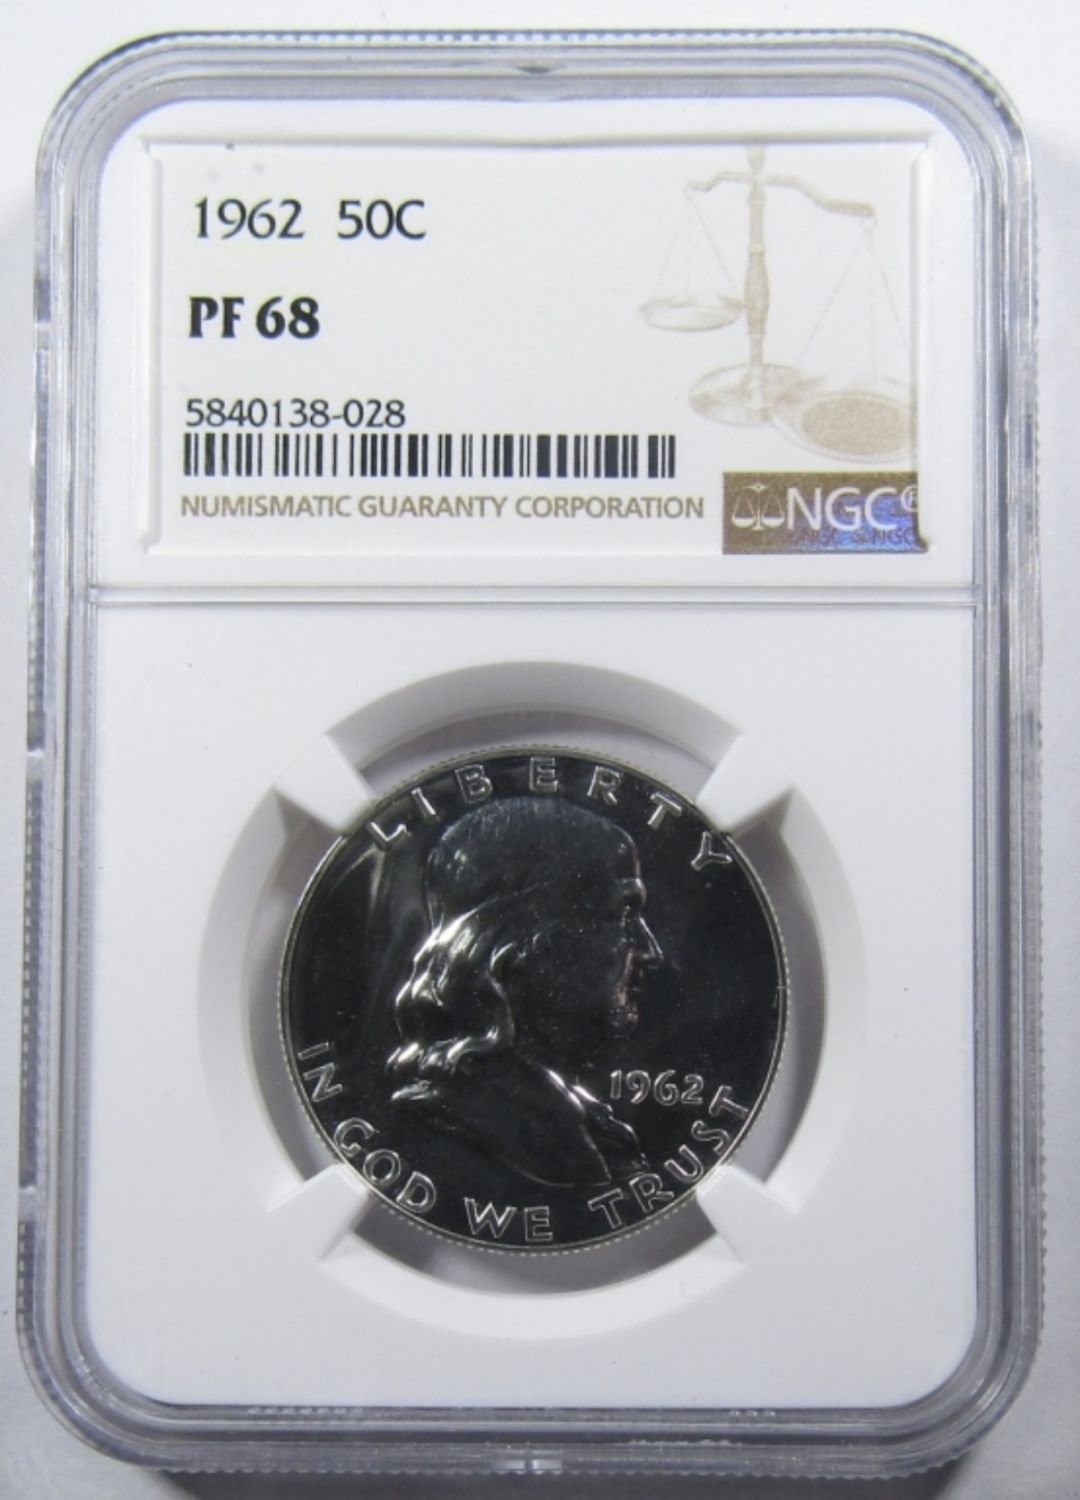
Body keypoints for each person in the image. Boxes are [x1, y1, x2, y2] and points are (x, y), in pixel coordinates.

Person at [387, 795, 663, 1188]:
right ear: (515, 942)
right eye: (622, 915)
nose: (650, 951)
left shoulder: (590, 1129)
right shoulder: (500, 1121)